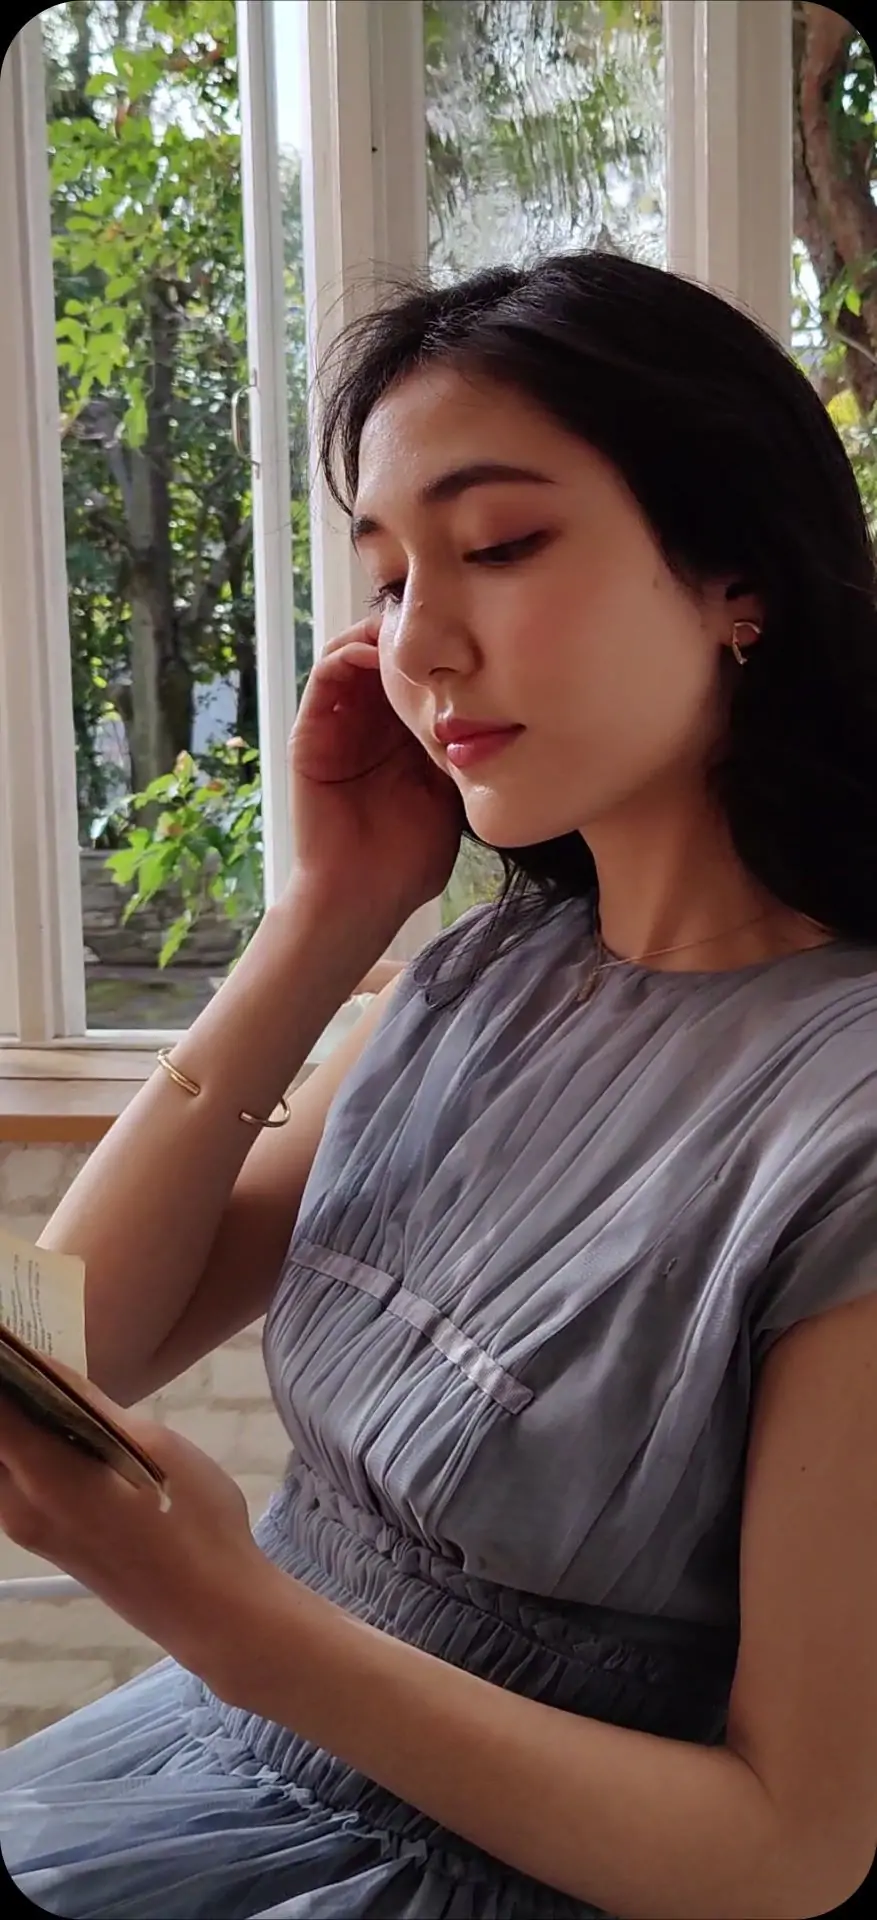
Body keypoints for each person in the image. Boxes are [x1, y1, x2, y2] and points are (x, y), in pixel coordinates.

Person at [1, 250, 877, 1920]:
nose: (424, 640)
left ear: (739, 578)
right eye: (390, 578)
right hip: (190, 1776)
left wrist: (235, 1621)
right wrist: (324, 916)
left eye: (500, 545)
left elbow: (794, 1852)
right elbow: (63, 1348)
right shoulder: (474, 984)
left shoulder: (847, 1124)